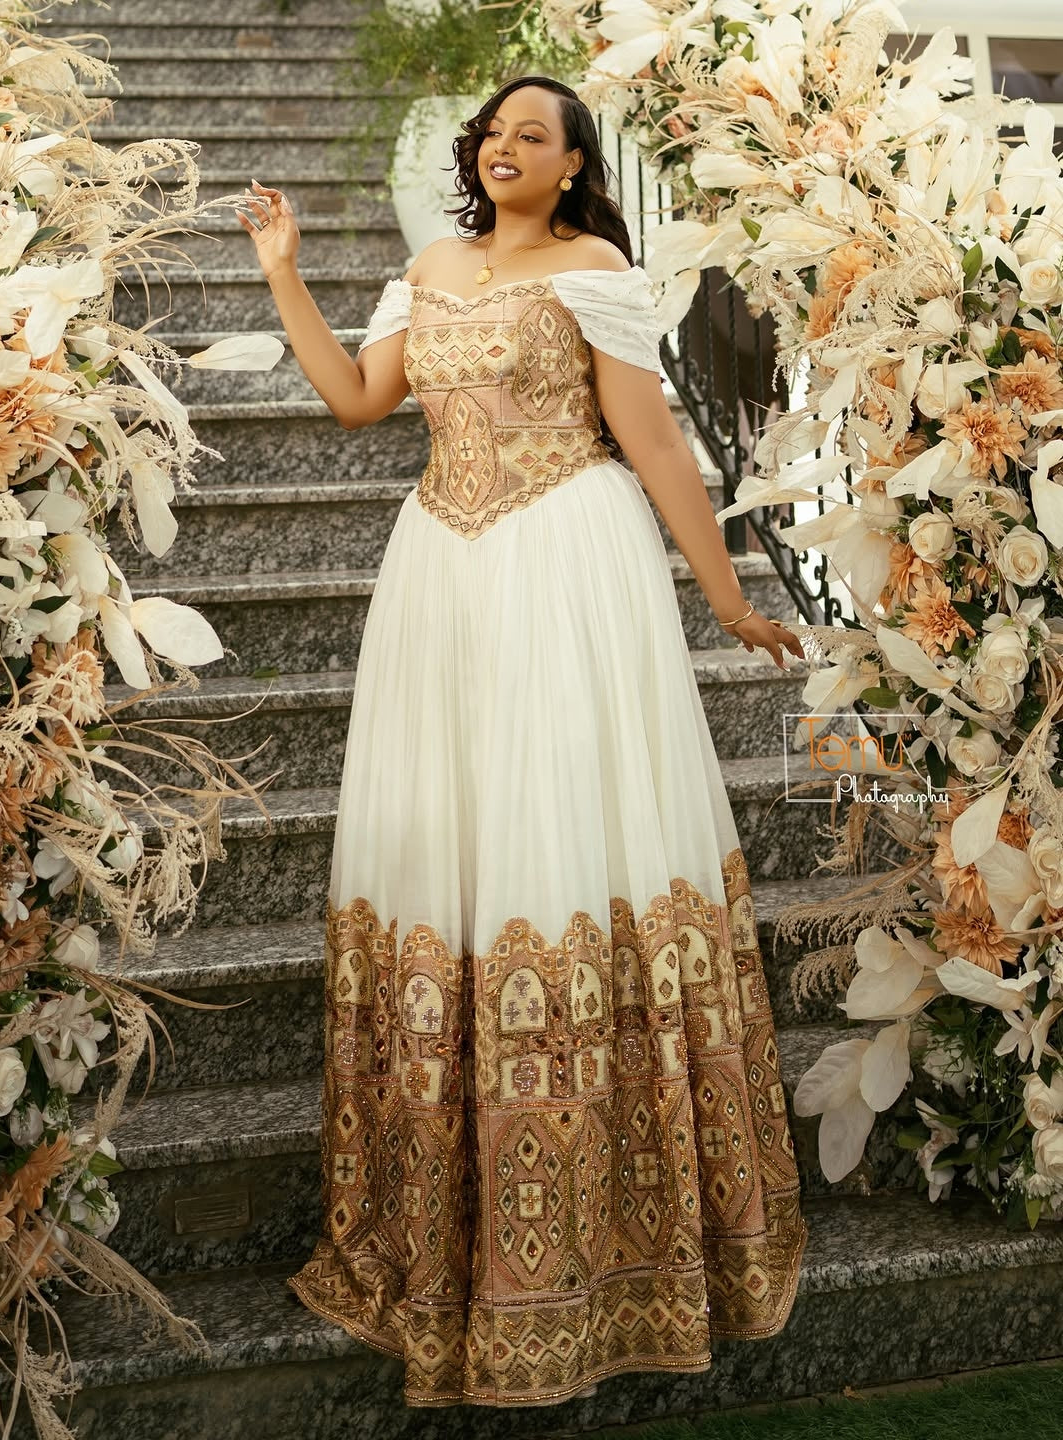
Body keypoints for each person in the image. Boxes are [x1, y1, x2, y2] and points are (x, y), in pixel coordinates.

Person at [236, 73, 809, 1410]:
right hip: (441, 573)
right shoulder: (430, 265)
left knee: (563, 850)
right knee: (461, 862)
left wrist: (723, 593)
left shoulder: (597, 265)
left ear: (571, 167)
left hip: (568, 566)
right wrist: (284, 276)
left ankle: (613, 1255)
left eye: (531, 136)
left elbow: (653, 436)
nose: (504, 147)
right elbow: (359, 401)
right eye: (492, 131)